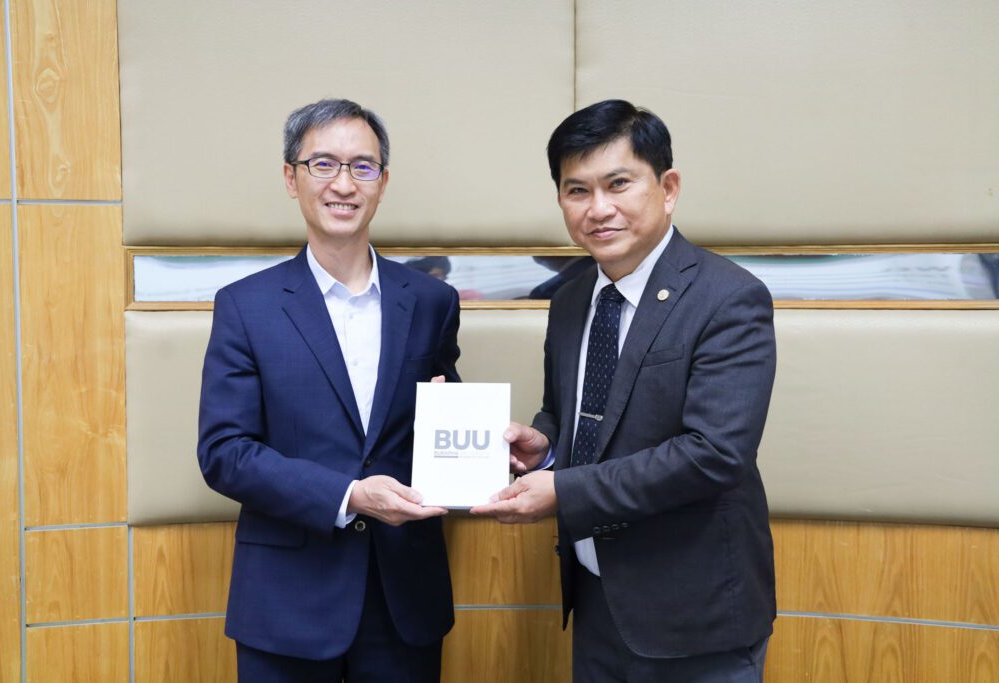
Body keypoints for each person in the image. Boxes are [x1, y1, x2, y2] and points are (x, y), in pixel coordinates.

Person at [471, 99, 777, 682]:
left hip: (693, 612)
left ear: (668, 187)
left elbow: (715, 454)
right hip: (595, 598)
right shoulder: (569, 300)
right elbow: (572, 411)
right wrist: (545, 446)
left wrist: (563, 490)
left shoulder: (728, 297)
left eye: (618, 184)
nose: (598, 209)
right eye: (577, 190)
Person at [198, 99, 460, 682]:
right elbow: (224, 453)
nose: (344, 184)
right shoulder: (245, 306)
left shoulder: (430, 301)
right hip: (287, 602)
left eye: (363, 166)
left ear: (382, 183)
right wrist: (350, 495)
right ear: (291, 178)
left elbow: (441, 417)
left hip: (404, 600)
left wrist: (486, 448)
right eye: (323, 164)